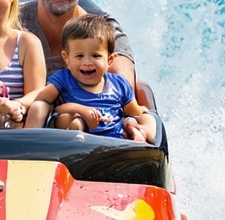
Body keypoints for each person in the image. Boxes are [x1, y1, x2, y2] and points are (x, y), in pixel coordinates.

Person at [25, 15, 156, 143]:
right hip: (81, 138)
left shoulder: (118, 84)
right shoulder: (63, 79)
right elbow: (48, 104)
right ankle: (74, 141)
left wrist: (139, 119)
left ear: (109, 59)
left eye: (95, 56)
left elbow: (134, 111)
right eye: (79, 56)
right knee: (72, 120)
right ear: (66, 58)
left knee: (149, 118)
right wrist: (81, 110)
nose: (87, 62)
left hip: (115, 141)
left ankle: (141, 133)